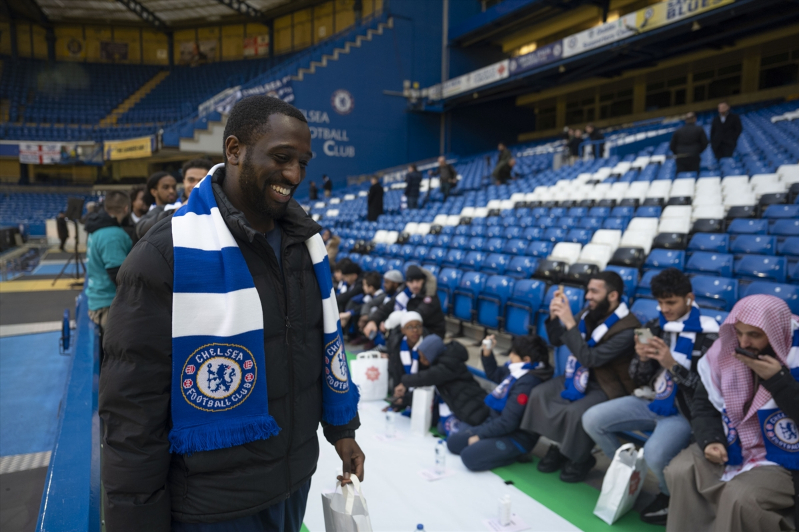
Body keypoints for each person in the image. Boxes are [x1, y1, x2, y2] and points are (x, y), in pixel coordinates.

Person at [100, 95, 363, 532]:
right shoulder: (164, 256)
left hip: (292, 482)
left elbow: (314, 351)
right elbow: (131, 414)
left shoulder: (305, 246)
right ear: (234, 150)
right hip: (213, 507)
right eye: (282, 158)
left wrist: (343, 430)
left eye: (302, 162)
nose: (294, 175)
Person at [581, 269, 720, 525]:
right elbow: (638, 377)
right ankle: (630, 474)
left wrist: (672, 365)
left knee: (656, 453)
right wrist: (643, 359)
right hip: (651, 400)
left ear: (688, 298)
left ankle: (668, 496)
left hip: (684, 410)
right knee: (592, 419)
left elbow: (707, 392)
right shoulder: (656, 326)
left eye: (671, 302)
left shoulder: (710, 335)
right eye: (660, 302)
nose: (664, 309)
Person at [664, 295, 798, 532]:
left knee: (740, 496)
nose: (743, 343)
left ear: (776, 332)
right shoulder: (723, 352)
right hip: (733, 440)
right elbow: (703, 406)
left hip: (784, 458)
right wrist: (711, 440)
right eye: (738, 332)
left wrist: (778, 381)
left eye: (755, 335)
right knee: (681, 469)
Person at [520, 271, 639, 483]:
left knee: (575, 411)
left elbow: (590, 358)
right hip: (578, 375)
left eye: (594, 291)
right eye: (588, 291)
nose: (588, 296)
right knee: (539, 394)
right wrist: (556, 317)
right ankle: (558, 446)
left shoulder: (628, 328)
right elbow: (557, 340)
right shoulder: (588, 314)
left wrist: (570, 323)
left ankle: (580, 458)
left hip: (607, 385)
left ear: (612, 295)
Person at [447, 335, 553, 471]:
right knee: (453, 443)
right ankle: (488, 445)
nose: (510, 355)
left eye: (514, 353)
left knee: (469, 457)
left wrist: (480, 435)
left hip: (516, 437)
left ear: (526, 359)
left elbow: (509, 422)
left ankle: (516, 455)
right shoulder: (520, 370)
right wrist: (487, 352)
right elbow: (495, 373)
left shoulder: (528, 383)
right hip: (496, 424)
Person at [392, 334, 490, 431]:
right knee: (440, 427)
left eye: (423, 357)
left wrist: (404, 382)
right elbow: (431, 390)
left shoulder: (448, 365)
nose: (421, 360)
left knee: (461, 434)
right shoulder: (440, 363)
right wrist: (404, 400)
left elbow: (427, 377)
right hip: (457, 403)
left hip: (473, 406)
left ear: (432, 354)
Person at [85, 190, 132, 333]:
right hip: (109, 306)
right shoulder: (112, 234)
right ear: (126, 208)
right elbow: (118, 274)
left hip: (99, 300)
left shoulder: (98, 229)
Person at [364, 265, 446, 339]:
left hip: (431, 332)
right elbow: (388, 306)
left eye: (418, 281)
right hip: (416, 328)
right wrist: (373, 321)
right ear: (407, 283)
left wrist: (387, 325)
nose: (415, 285)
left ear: (423, 281)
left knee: (402, 328)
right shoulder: (404, 292)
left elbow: (415, 317)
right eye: (411, 282)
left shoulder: (430, 296)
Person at [134, 171, 179, 239]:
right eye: (166, 187)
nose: (171, 191)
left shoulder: (181, 206)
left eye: (174, 187)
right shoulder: (146, 214)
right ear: (154, 191)